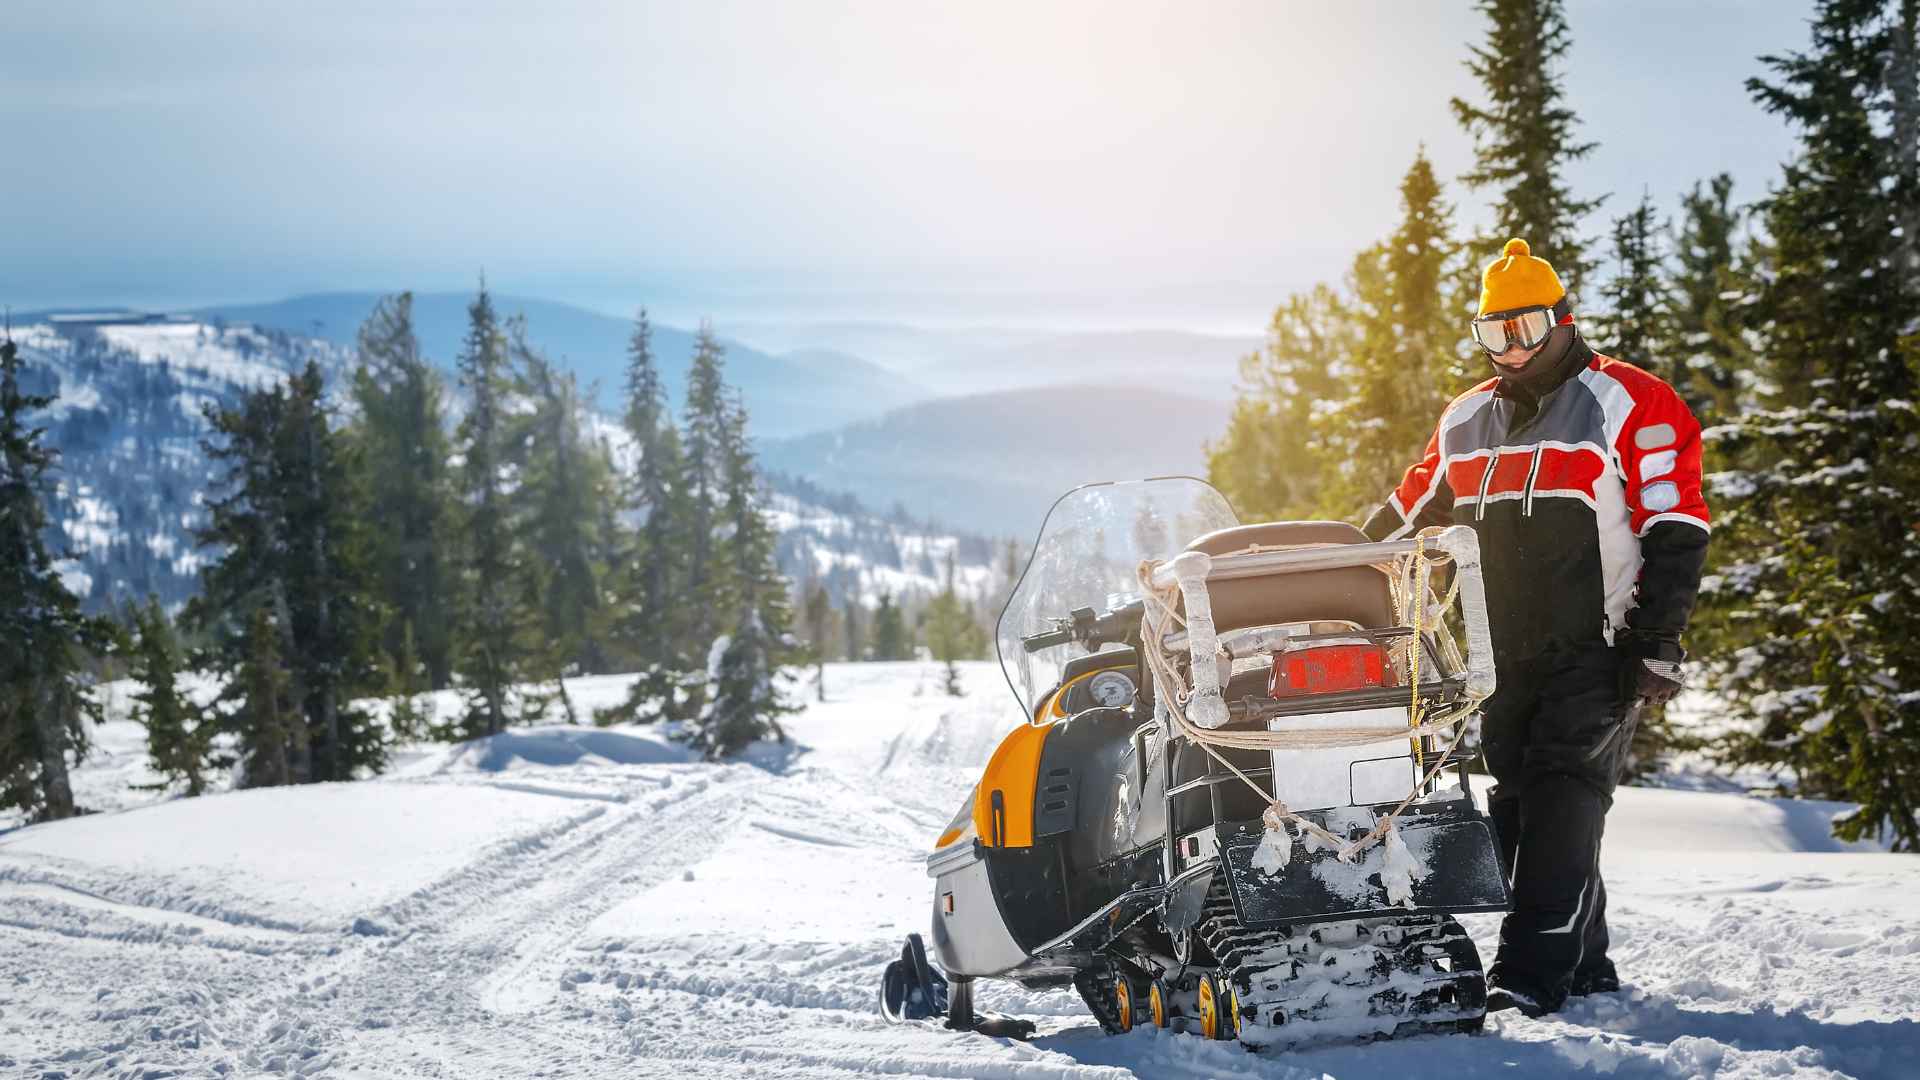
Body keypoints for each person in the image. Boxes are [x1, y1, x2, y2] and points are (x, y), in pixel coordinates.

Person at [1361, 238, 1710, 1017]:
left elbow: (1677, 524)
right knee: (1517, 802)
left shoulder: (1628, 401)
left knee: (1564, 790)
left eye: (1524, 329)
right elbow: (1408, 512)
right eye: (1494, 334)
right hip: (1501, 650)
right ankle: (1586, 965)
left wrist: (1658, 639)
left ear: (1561, 318)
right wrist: (1335, 564)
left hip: (1598, 644)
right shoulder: (1465, 421)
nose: (1510, 350)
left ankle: (1530, 971)